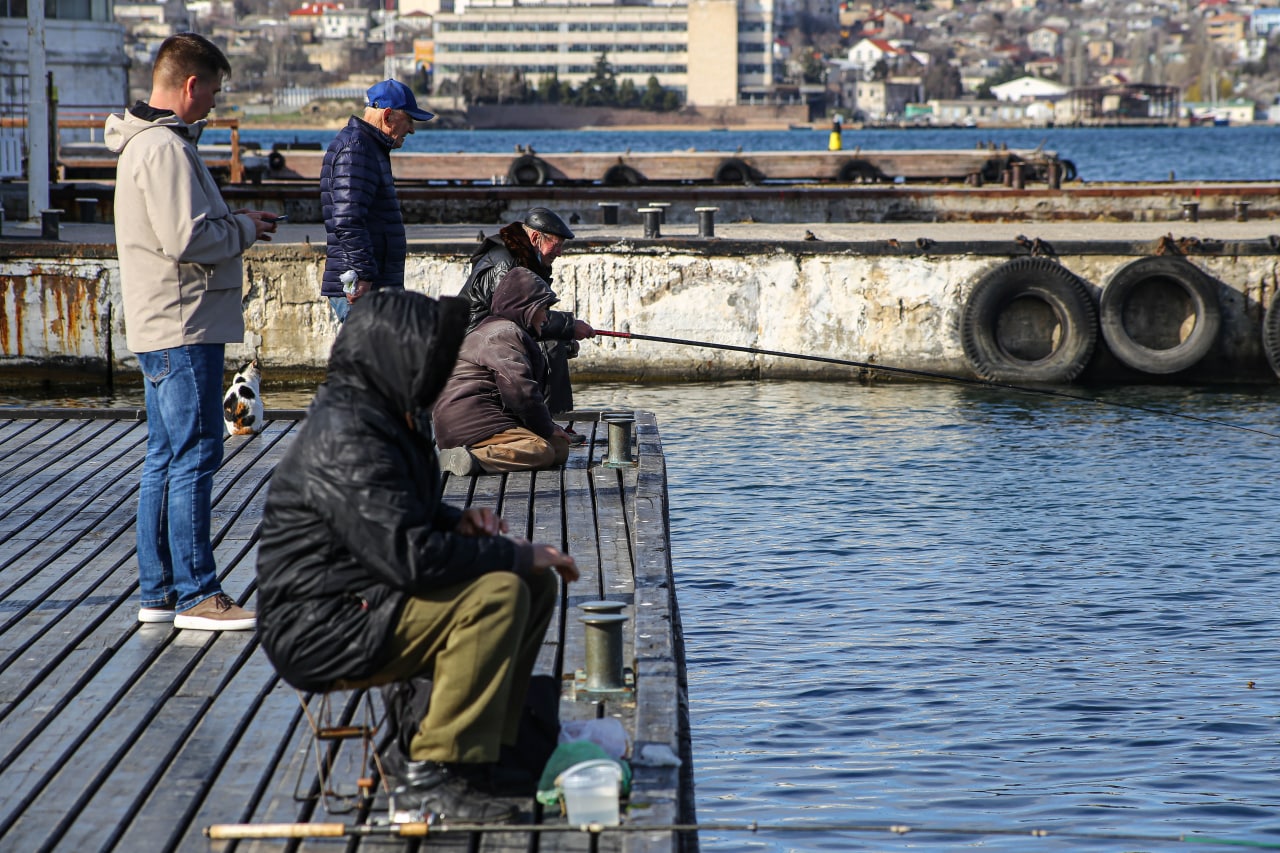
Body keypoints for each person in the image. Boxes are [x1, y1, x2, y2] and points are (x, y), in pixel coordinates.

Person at [255, 289, 579, 823]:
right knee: (499, 591)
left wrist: (458, 520)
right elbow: (410, 558)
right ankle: (428, 773)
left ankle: (484, 752)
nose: (439, 367)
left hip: (369, 599)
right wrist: (514, 556)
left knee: (534, 585)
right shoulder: (347, 433)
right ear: (392, 353)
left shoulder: (387, 413)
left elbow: (402, 511)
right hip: (321, 626)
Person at [105, 32, 278, 631]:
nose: (211, 104)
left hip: (160, 323)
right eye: (212, 91)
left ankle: (158, 590)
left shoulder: (140, 145)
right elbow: (189, 239)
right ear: (189, 84)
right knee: (196, 455)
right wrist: (246, 229)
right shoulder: (166, 149)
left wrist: (233, 222)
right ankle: (197, 593)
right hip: (184, 323)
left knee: (163, 456)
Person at [433, 269, 577, 477]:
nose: (546, 318)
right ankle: (473, 458)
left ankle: (473, 455)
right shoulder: (502, 333)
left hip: (483, 421)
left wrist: (549, 429)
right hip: (470, 422)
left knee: (559, 448)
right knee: (542, 451)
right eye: (543, 309)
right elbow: (519, 390)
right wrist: (546, 426)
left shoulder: (503, 330)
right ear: (526, 308)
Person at [459, 207, 594, 417]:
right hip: (475, 339)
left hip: (491, 333)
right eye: (555, 245)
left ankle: (549, 421)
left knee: (559, 344)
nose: (559, 253)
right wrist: (569, 327)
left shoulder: (522, 258)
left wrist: (565, 332)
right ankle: (548, 422)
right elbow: (516, 316)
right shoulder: (506, 263)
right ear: (535, 237)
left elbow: (524, 319)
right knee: (550, 348)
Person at [320, 79, 434, 323]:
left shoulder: (367, 146)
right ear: (389, 116)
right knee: (372, 358)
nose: (412, 129)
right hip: (365, 288)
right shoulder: (358, 148)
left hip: (373, 284)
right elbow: (347, 221)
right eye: (410, 120)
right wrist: (363, 274)